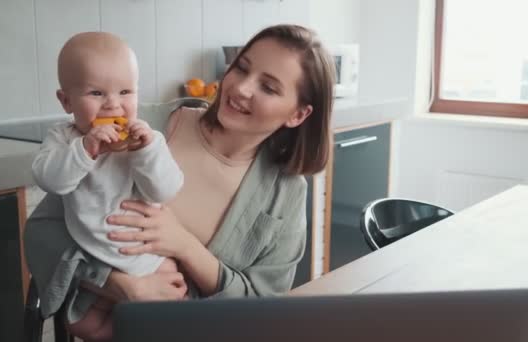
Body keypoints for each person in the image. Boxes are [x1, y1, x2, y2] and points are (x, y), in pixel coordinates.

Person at [24, 24, 336, 341]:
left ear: (297, 114)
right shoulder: (136, 129)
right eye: (241, 68)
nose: (241, 88)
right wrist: (120, 284)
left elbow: (264, 308)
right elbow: (42, 233)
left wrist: (184, 245)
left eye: (268, 88)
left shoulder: (286, 193)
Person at [31, 31, 184, 340]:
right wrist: (85, 150)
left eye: (126, 92)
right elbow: (50, 179)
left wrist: (147, 151)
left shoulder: (147, 140)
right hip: (96, 260)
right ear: (66, 101)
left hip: (148, 258)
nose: (113, 105)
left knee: (169, 302)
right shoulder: (65, 140)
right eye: (96, 93)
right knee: (81, 325)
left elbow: (166, 190)